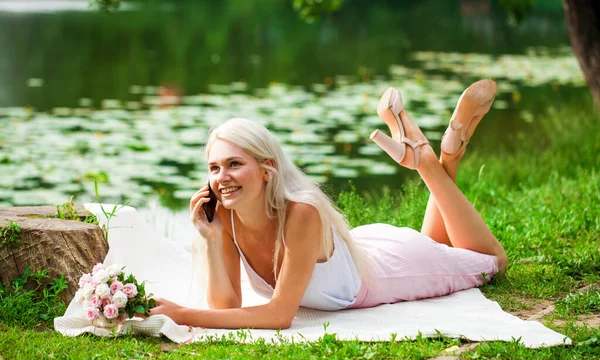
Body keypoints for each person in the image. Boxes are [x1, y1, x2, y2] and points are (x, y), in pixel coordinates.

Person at [149, 79, 508, 329]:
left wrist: (183, 313)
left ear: (267, 170)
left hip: (391, 272)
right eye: (214, 167)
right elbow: (227, 307)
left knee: (494, 263)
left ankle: (430, 162)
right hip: (366, 251)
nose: (221, 177)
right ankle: (445, 154)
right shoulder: (224, 218)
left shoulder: (301, 212)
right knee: (437, 246)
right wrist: (211, 239)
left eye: (234, 164)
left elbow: (278, 315)